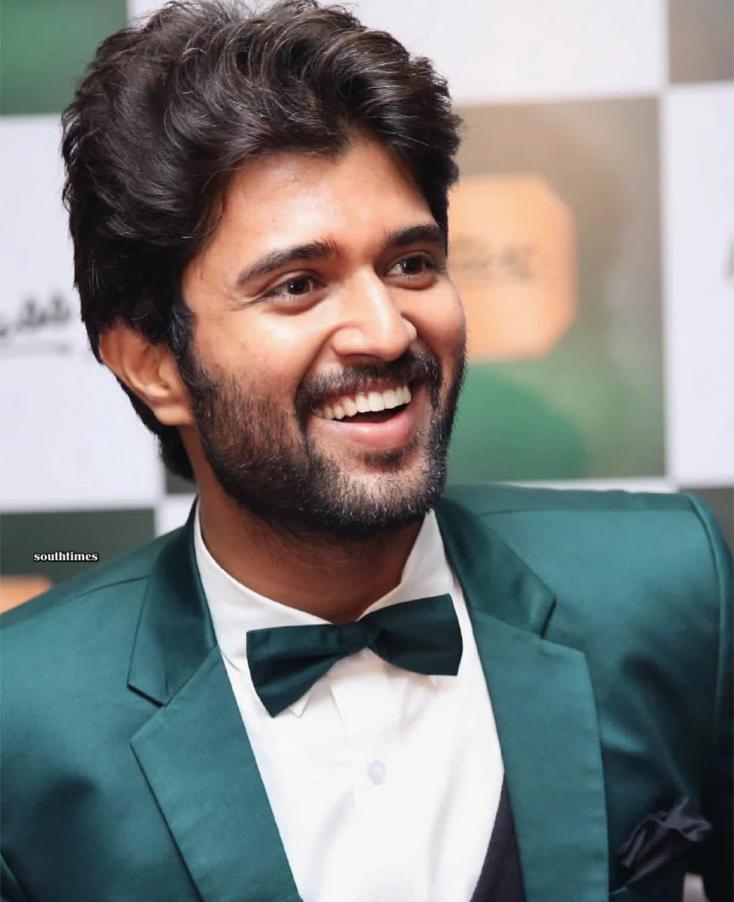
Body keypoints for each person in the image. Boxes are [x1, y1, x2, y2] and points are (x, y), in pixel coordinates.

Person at [1, 2, 731, 900]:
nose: (386, 331)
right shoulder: (22, 720)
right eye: (297, 285)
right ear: (154, 364)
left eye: (410, 264)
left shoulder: (670, 594)